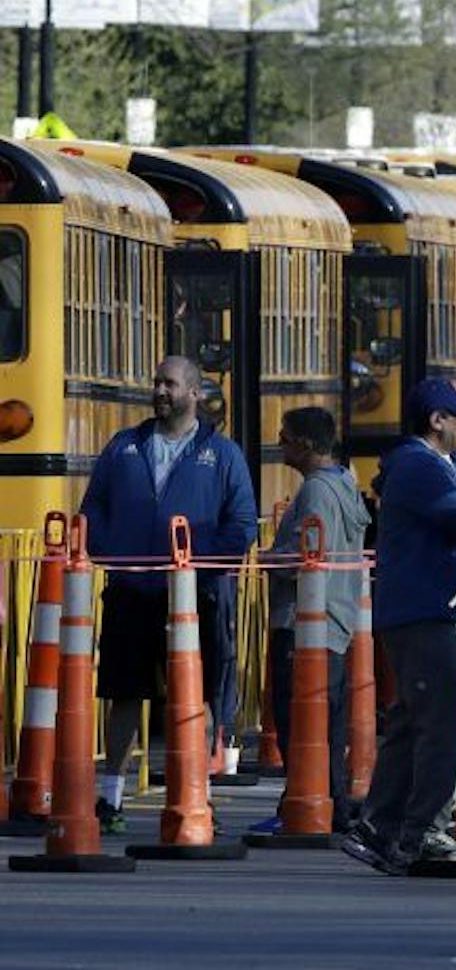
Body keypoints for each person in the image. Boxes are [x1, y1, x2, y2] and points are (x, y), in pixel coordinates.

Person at [82, 355, 256, 835]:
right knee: (122, 694)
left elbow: (241, 524)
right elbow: (91, 510)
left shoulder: (223, 455)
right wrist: (109, 551)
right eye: (157, 382)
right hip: (131, 591)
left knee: (193, 700)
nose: (160, 391)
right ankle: (110, 797)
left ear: (195, 394)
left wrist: (199, 569)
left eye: (171, 384)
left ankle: (196, 797)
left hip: (191, 600)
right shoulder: (123, 448)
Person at [342, 378, 456, 875]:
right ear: (437, 421)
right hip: (424, 607)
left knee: (411, 722)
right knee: (446, 723)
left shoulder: (424, 465)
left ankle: (377, 827)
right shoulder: (420, 467)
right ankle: (424, 830)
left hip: (417, 606)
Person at [258, 406, 369, 836]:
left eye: (284, 438)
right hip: (337, 622)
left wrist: (268, 558)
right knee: (326, 724)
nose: (280, 445)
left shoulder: (316, 493)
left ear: (305, 445)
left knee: (298, 722)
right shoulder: (345, 483)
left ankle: (305, 805)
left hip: (304, 624)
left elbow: (307, 555)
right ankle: (331, 806)